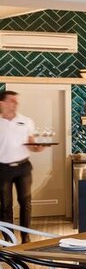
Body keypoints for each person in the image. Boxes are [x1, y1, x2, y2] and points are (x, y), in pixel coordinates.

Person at [0, 91, 44, 237]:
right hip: (2, 169)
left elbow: (31, 144)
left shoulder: (26, 121)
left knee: (26, 203)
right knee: (5, 205)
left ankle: (25, 238)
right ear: (2, 103)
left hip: (23, 168)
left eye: (16, 101)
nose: (15, 104)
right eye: (12, 100)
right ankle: (9, 240)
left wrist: (37, 148)